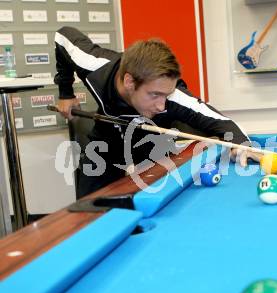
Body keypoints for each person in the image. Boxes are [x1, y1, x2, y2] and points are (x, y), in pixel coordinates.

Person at [54, 27, 260, 197]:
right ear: (129, 82)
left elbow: (219, 121)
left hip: (153, 139)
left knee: (164, 198)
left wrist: (241, 144)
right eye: (154, 95)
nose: (162, 105)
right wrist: (65, 92)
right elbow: (63, 36)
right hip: (107, 137)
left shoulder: (174, 98)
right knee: (88, 208)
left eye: (166, 95)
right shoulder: (95, 67)